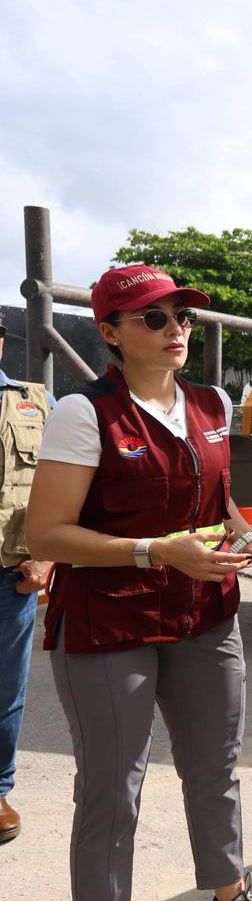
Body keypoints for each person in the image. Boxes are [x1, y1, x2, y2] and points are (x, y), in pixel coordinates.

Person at [25, 265, 252, 901]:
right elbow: (46, 533)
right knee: (112, 790)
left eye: (182, 315)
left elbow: (219, 504)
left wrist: (251, 542)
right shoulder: (84, 413)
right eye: (153, 317)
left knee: (215, 766)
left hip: (204, 614)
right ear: (110, 332)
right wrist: (155, 550)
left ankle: (229, 900)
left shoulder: (210, 403)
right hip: (109, 620)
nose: (175, 328)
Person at [0, 314, 56, 845]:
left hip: (9, 575)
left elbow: (69, 489)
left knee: (4, 690)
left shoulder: (36, 404)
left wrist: (47, 558)